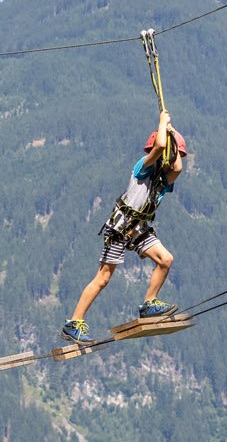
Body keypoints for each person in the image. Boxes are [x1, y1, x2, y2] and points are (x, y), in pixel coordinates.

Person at [60, 110, 186, 345]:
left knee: (166, 260)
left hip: (138, 229)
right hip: (120, 228)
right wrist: (162, 123)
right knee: (103, 278)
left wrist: (172, 135)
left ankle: (149, 303)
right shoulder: (143, 168)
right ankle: (73, 323)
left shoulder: (163, 180)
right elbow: (159, 147)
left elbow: (177, 168)